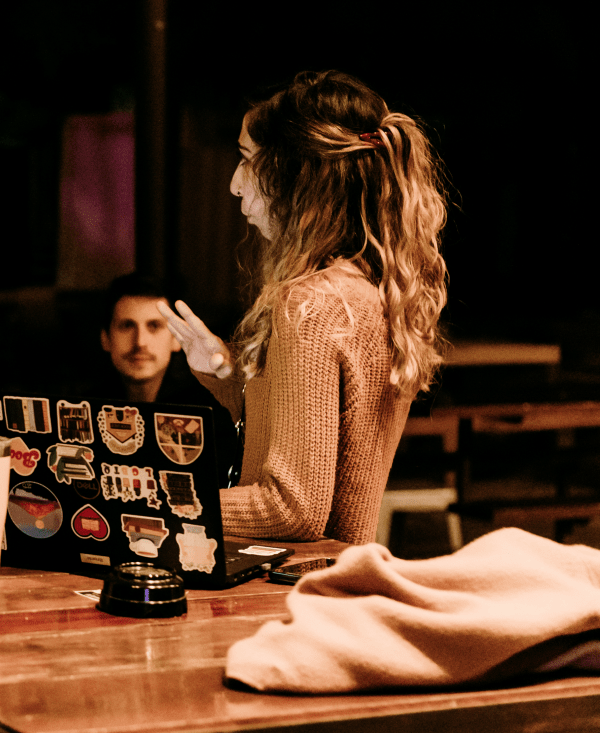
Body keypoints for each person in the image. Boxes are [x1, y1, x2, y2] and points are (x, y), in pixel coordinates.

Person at [158, 70, 448, 545]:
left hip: (295, 590)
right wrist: (225, 371)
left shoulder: (311, 304)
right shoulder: (365, 289)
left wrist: (152, 499)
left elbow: (293, 508)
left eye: (246, 159)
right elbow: (320, 442)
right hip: (339, 587)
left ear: (296, 173)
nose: (233, 185)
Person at [92, 271, 240, 482]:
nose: (140, 342)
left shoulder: (210, 415)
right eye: (127, 325)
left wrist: (229, 380)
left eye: (154, 326)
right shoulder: (86, 409)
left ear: (176, 339)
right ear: (105, 338)